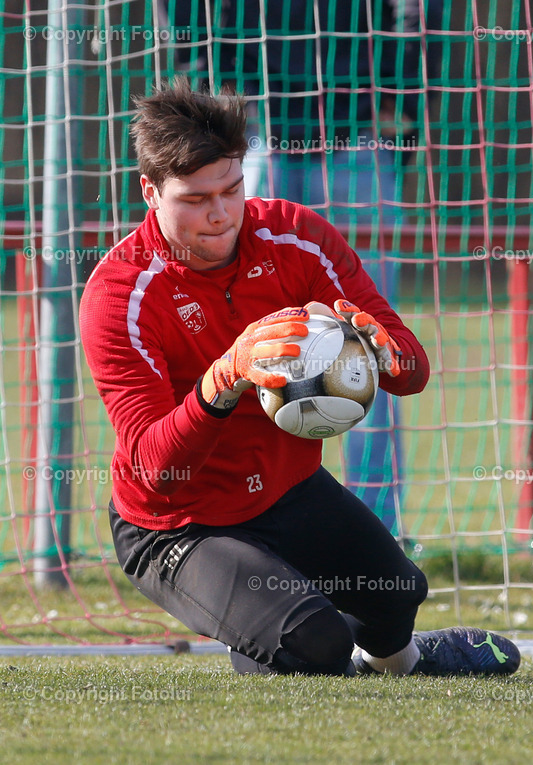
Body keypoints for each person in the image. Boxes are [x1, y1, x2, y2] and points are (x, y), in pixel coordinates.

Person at [80, 78, 520, 676]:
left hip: (287, 490)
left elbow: (411, 373)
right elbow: (156, 472)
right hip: (178, 524)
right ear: (150, 192)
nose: (218, 214)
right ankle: (285, 628)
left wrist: (378, 350)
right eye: (193, 198)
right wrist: (225, 377)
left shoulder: (296, 237)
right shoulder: (118, 294)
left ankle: (404, 662)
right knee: (314, 644)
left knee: (396, 596)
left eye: (232, 189)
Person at [161, 0, 420, 534]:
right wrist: (209, 87)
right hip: (252, 136)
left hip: (357, 135)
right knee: (241, 345)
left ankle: (376, 532)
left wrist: (403, 97)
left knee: (371, 345)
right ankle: (232, 516)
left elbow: (416, 12)